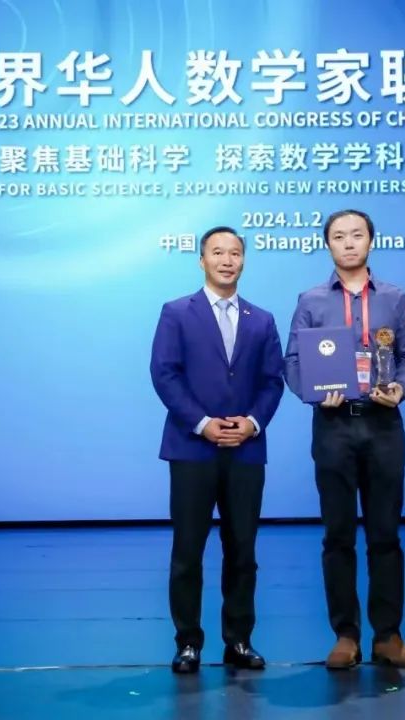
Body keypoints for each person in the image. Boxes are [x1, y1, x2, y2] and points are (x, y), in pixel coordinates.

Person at [284, 209, 405, 670]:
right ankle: (345, 635)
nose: (348, 243)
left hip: (383, 424)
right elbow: (293, 362)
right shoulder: (311, 300)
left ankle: (388, 636)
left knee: (386, 534)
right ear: (327, 244)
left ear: (371, 241)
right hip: (334, 427)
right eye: (339, 236)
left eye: (357, 235)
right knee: (338, 535)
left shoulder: (395, 298)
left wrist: (401, 388)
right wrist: (314, 393)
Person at [150, 226, 285, 673]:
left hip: (246, 450)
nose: (227, 260)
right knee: (188, 550)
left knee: (242, 550)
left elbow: (272, 380)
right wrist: (203, 424)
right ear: (201, 260)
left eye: (235, 253)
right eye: (218, 252)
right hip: (193, 448)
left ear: (243, 260)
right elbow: (165, 374)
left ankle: (239, 641)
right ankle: (188, 642)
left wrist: (252, 423)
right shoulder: (176, 312)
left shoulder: (261, 319)